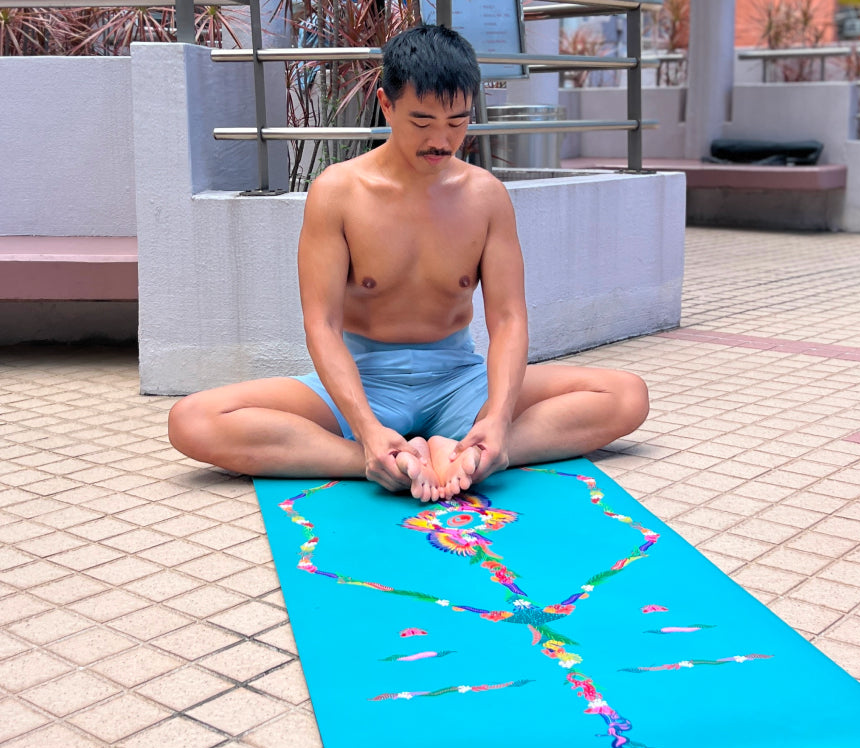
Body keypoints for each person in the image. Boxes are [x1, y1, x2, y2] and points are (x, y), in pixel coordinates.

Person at [168, 23, 648, 502]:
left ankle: (482, 451)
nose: (441, 140)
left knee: (626, 395)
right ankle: (370, 459)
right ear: (386, 104)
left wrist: (499, 419)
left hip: (461, 381)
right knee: (192, 420)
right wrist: (366, 429)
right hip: (366, 380)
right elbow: (322, 325)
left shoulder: (486, 197)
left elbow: (508, 319)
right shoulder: (338, 192)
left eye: (457, 122)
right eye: (422, 122)